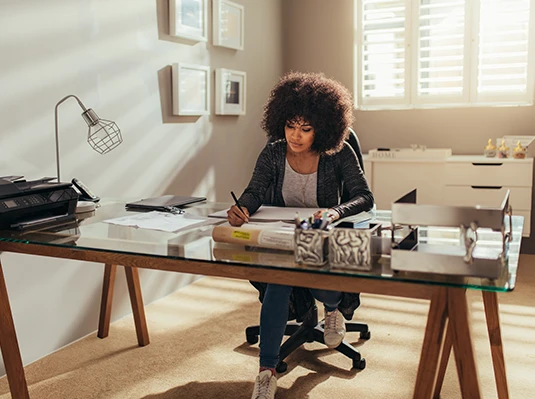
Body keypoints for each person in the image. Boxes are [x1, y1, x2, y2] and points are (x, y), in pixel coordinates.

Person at [227, 71, 374, 399]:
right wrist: (243, 209)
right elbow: (254, 191)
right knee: (279, 281)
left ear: (322, 128)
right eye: (290, 126)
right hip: (283, 236)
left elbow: (364, 196)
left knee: (323, 287)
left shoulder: (338, 154)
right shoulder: (274, 152)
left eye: (305, 129)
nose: (295, 135)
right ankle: (266, 372)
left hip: (320, 236)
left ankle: (332, 311)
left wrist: (336, 211)